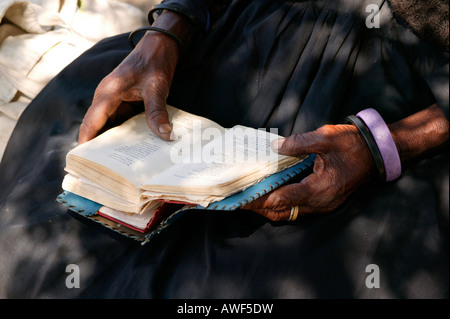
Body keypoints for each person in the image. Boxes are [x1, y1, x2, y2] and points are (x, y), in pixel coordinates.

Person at [0, 0, 448, 298]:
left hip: (403, 96)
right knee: (48, 201)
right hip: (243, 30)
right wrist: (167, 32)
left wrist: (380, 146)